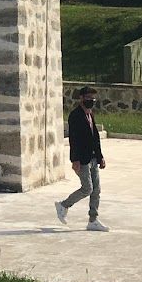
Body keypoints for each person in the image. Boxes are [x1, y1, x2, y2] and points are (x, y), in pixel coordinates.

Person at [54, 86, 108, 231]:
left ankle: (93, 219)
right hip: (82, 159)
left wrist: (100, 156)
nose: (91, 100)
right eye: (88, 98)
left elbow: (95, 138)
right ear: (82, 98)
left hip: (93, 158)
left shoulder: (90, 115)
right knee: (87, 188)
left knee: (96, 189)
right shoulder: (75, 116)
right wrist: (75, 159)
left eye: (93, 98)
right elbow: (74, 139)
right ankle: (63, 205)